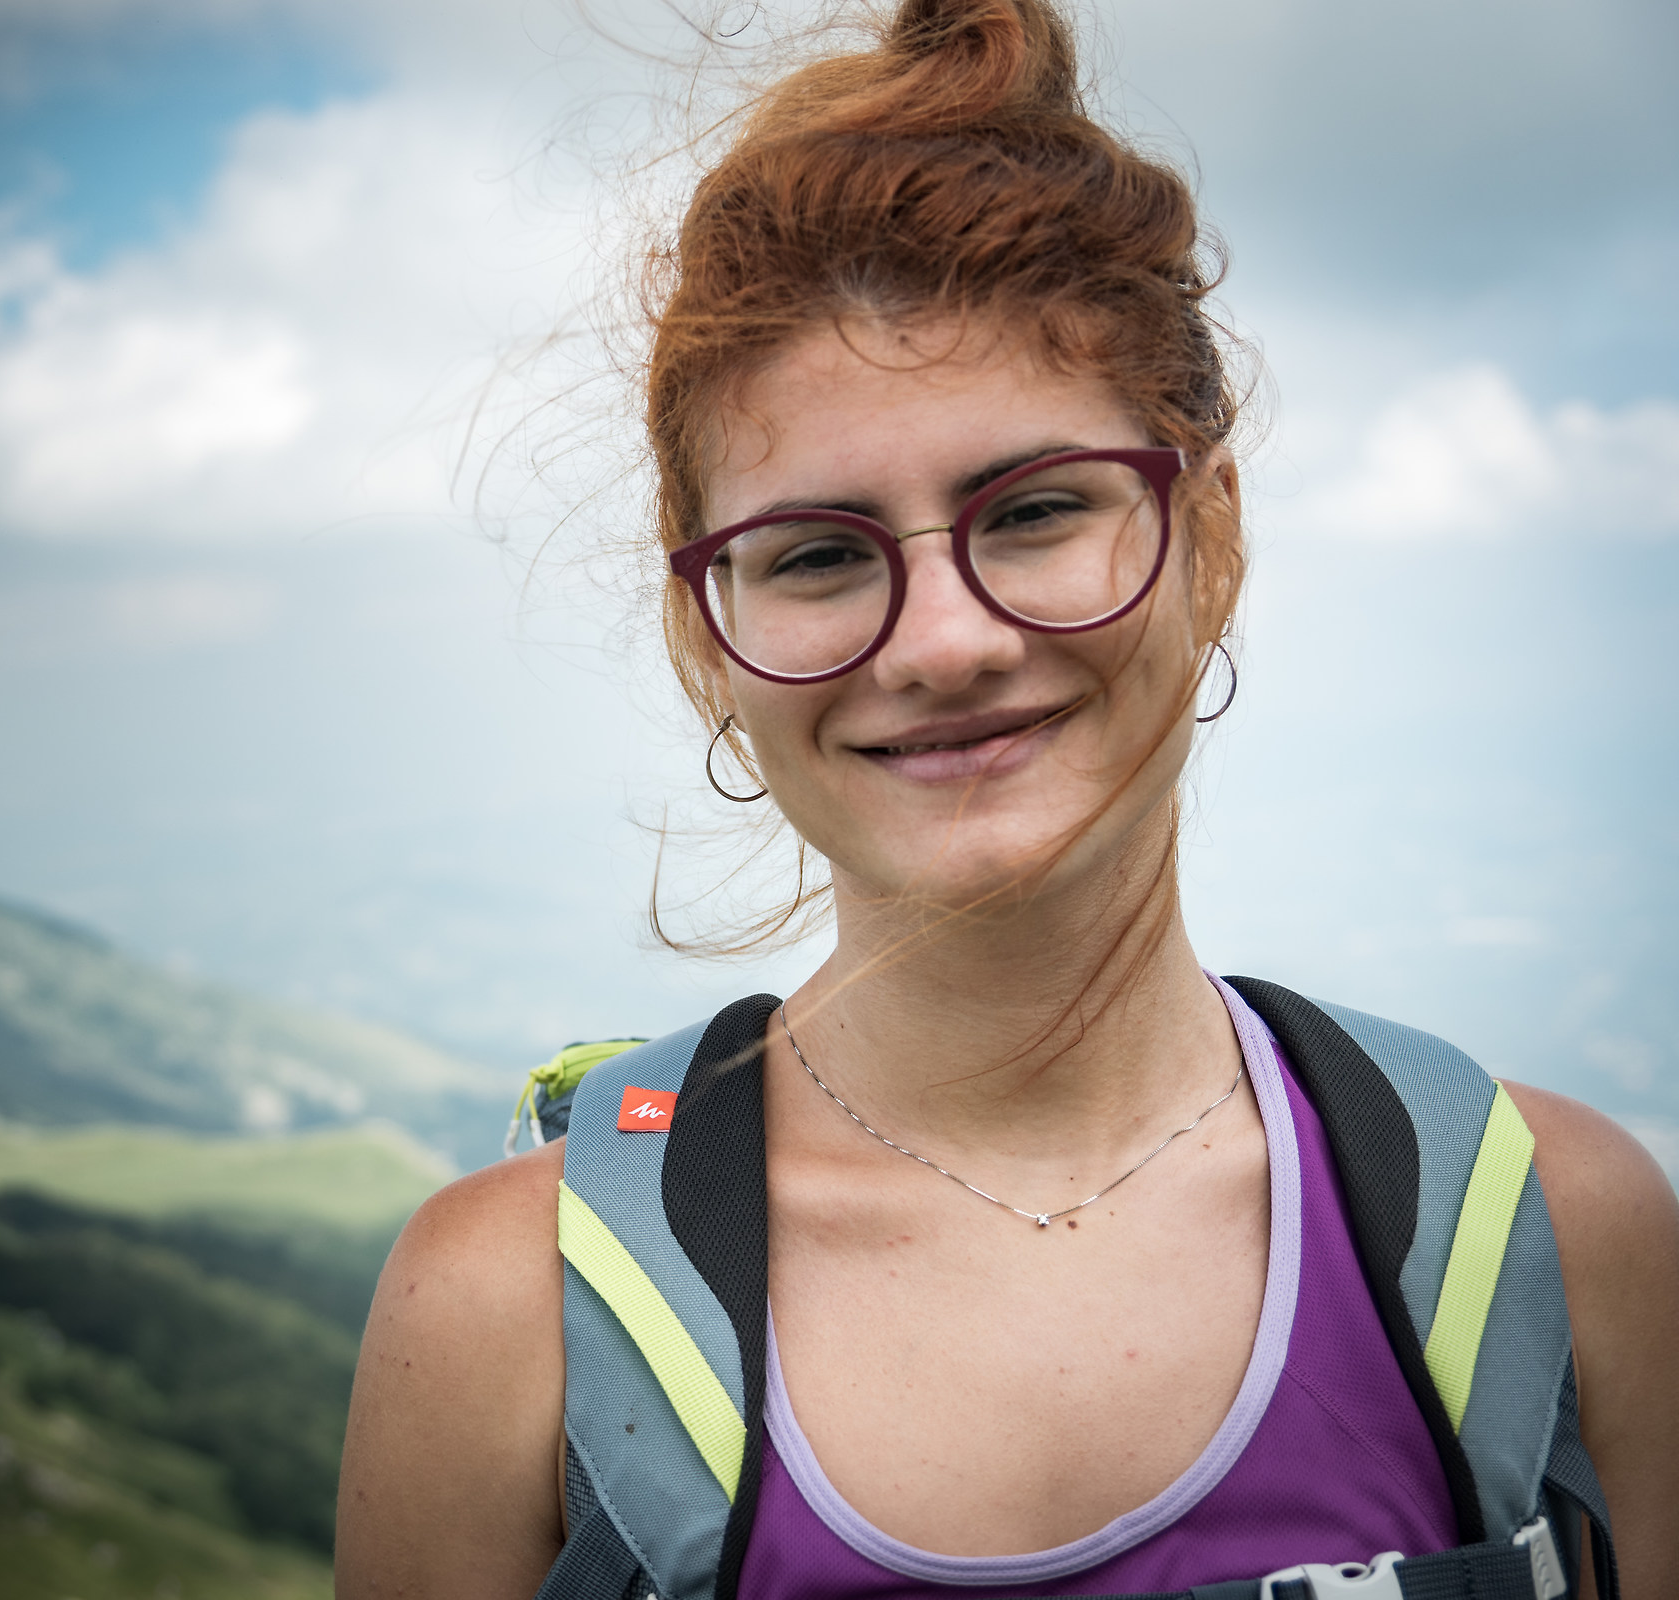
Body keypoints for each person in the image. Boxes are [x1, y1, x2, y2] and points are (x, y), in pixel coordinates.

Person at [333, 1, 1679, 1596]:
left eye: (1036, 512)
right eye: (821, 555)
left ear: (1212, 539)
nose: (952, 642)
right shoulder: (501, 1321)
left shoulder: (1549, 1237)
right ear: (709, 639)